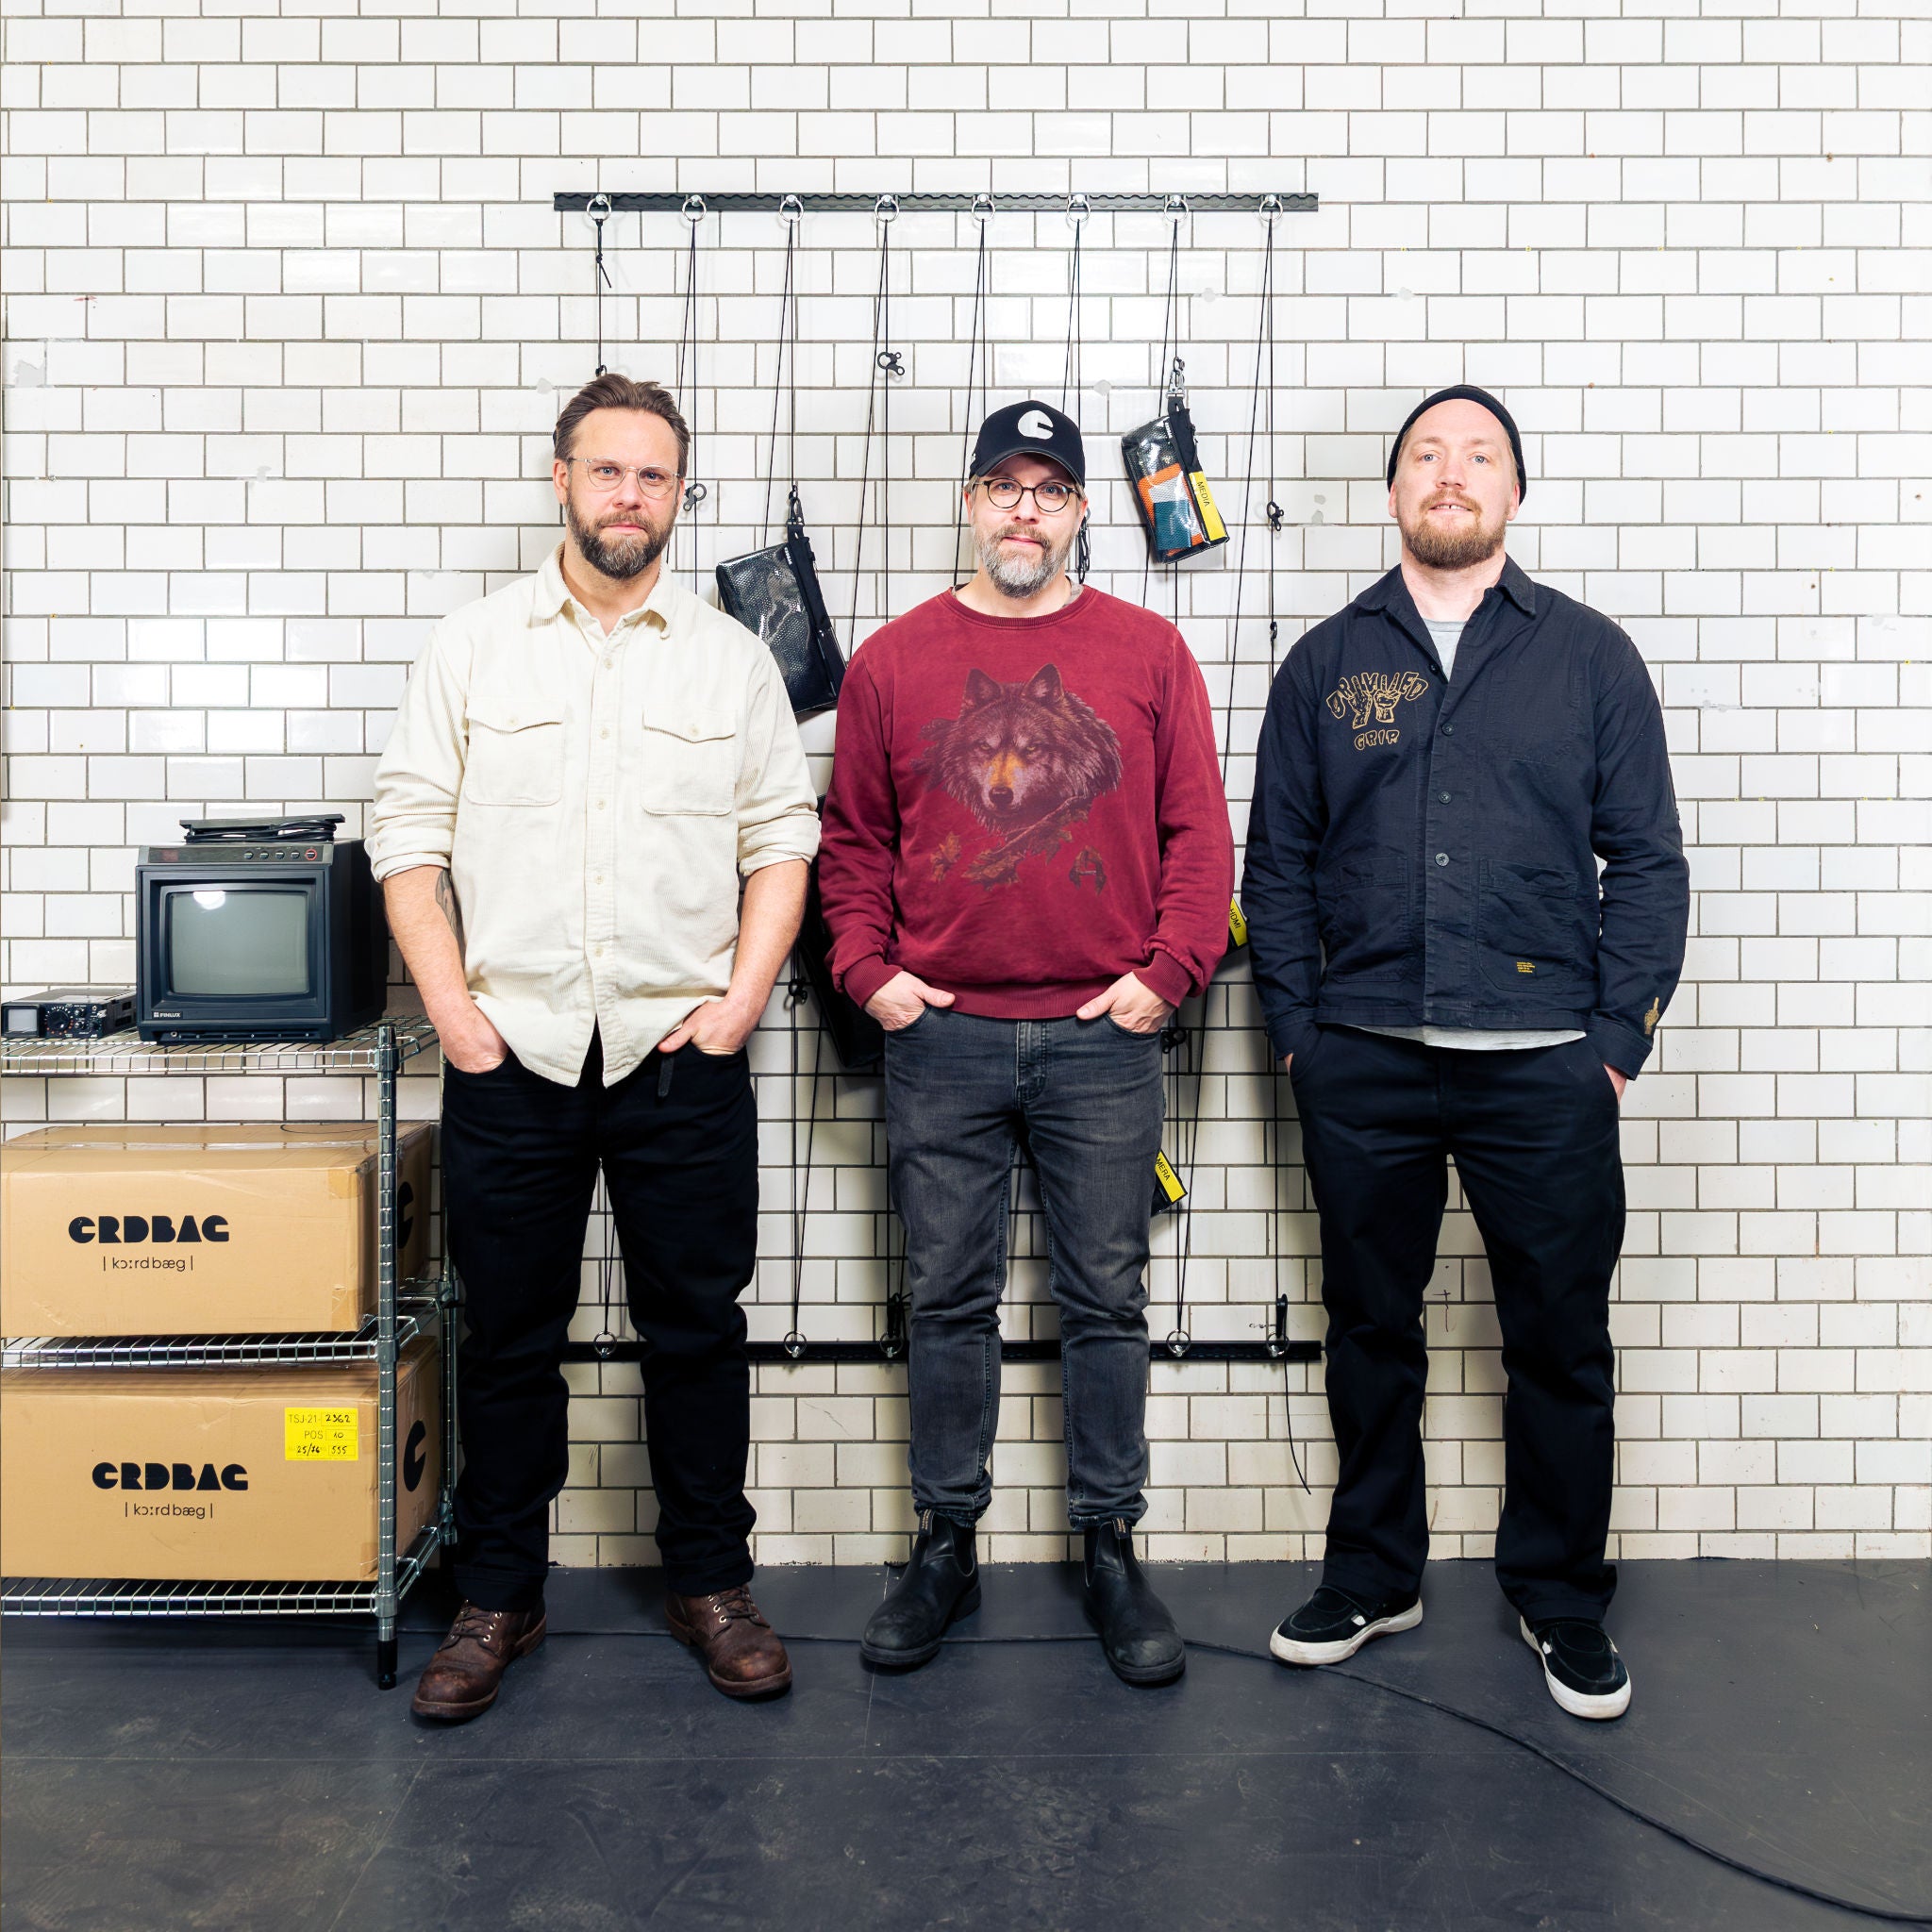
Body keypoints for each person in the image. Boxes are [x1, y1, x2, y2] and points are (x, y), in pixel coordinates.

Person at [370, 374, 820, 1721]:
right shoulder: (474, 648)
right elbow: (408, 840)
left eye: (654, 476)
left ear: (681, 495)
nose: (631, 495)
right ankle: (499, 1594)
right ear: (560, 479)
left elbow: (781, 845)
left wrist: (738, 1007)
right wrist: (457, 1016)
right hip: (513, 1055)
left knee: (699, 1334)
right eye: (608, 470)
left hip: (683, 1058)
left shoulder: (731, 660)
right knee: (508, 1339)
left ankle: (712, 1583)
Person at [1241, 386, 1689, 1721]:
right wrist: (1300, 1037)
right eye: (1427, 455)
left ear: (1514, 492)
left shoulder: (1591, 659)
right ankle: (1374, 1573)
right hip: (1364, 1059)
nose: (1452, 473)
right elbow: (1278, 866)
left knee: (1558, 1338)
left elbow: (1649, 864)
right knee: (1370, 1329)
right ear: (1393, 493)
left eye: (1479, 455)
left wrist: (1613, 1042)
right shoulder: (1327, 664)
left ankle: (1560, 1595)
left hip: (1544, 1066)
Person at [818, 399, 1235, 1686]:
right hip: (939, 1038)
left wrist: (1166, 975)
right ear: (971, 503)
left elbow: (1199, 836)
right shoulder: (892, 663)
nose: (1025, 511)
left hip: (1102, 1039)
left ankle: (1110, 1544)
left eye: (1049, 491)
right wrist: (870, 974)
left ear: (1081, 513)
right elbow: (852, 843)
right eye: (1004, 486)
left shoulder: (1148, 652)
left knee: (1106, 1299)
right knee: (947, 1298)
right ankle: (945, 1541)